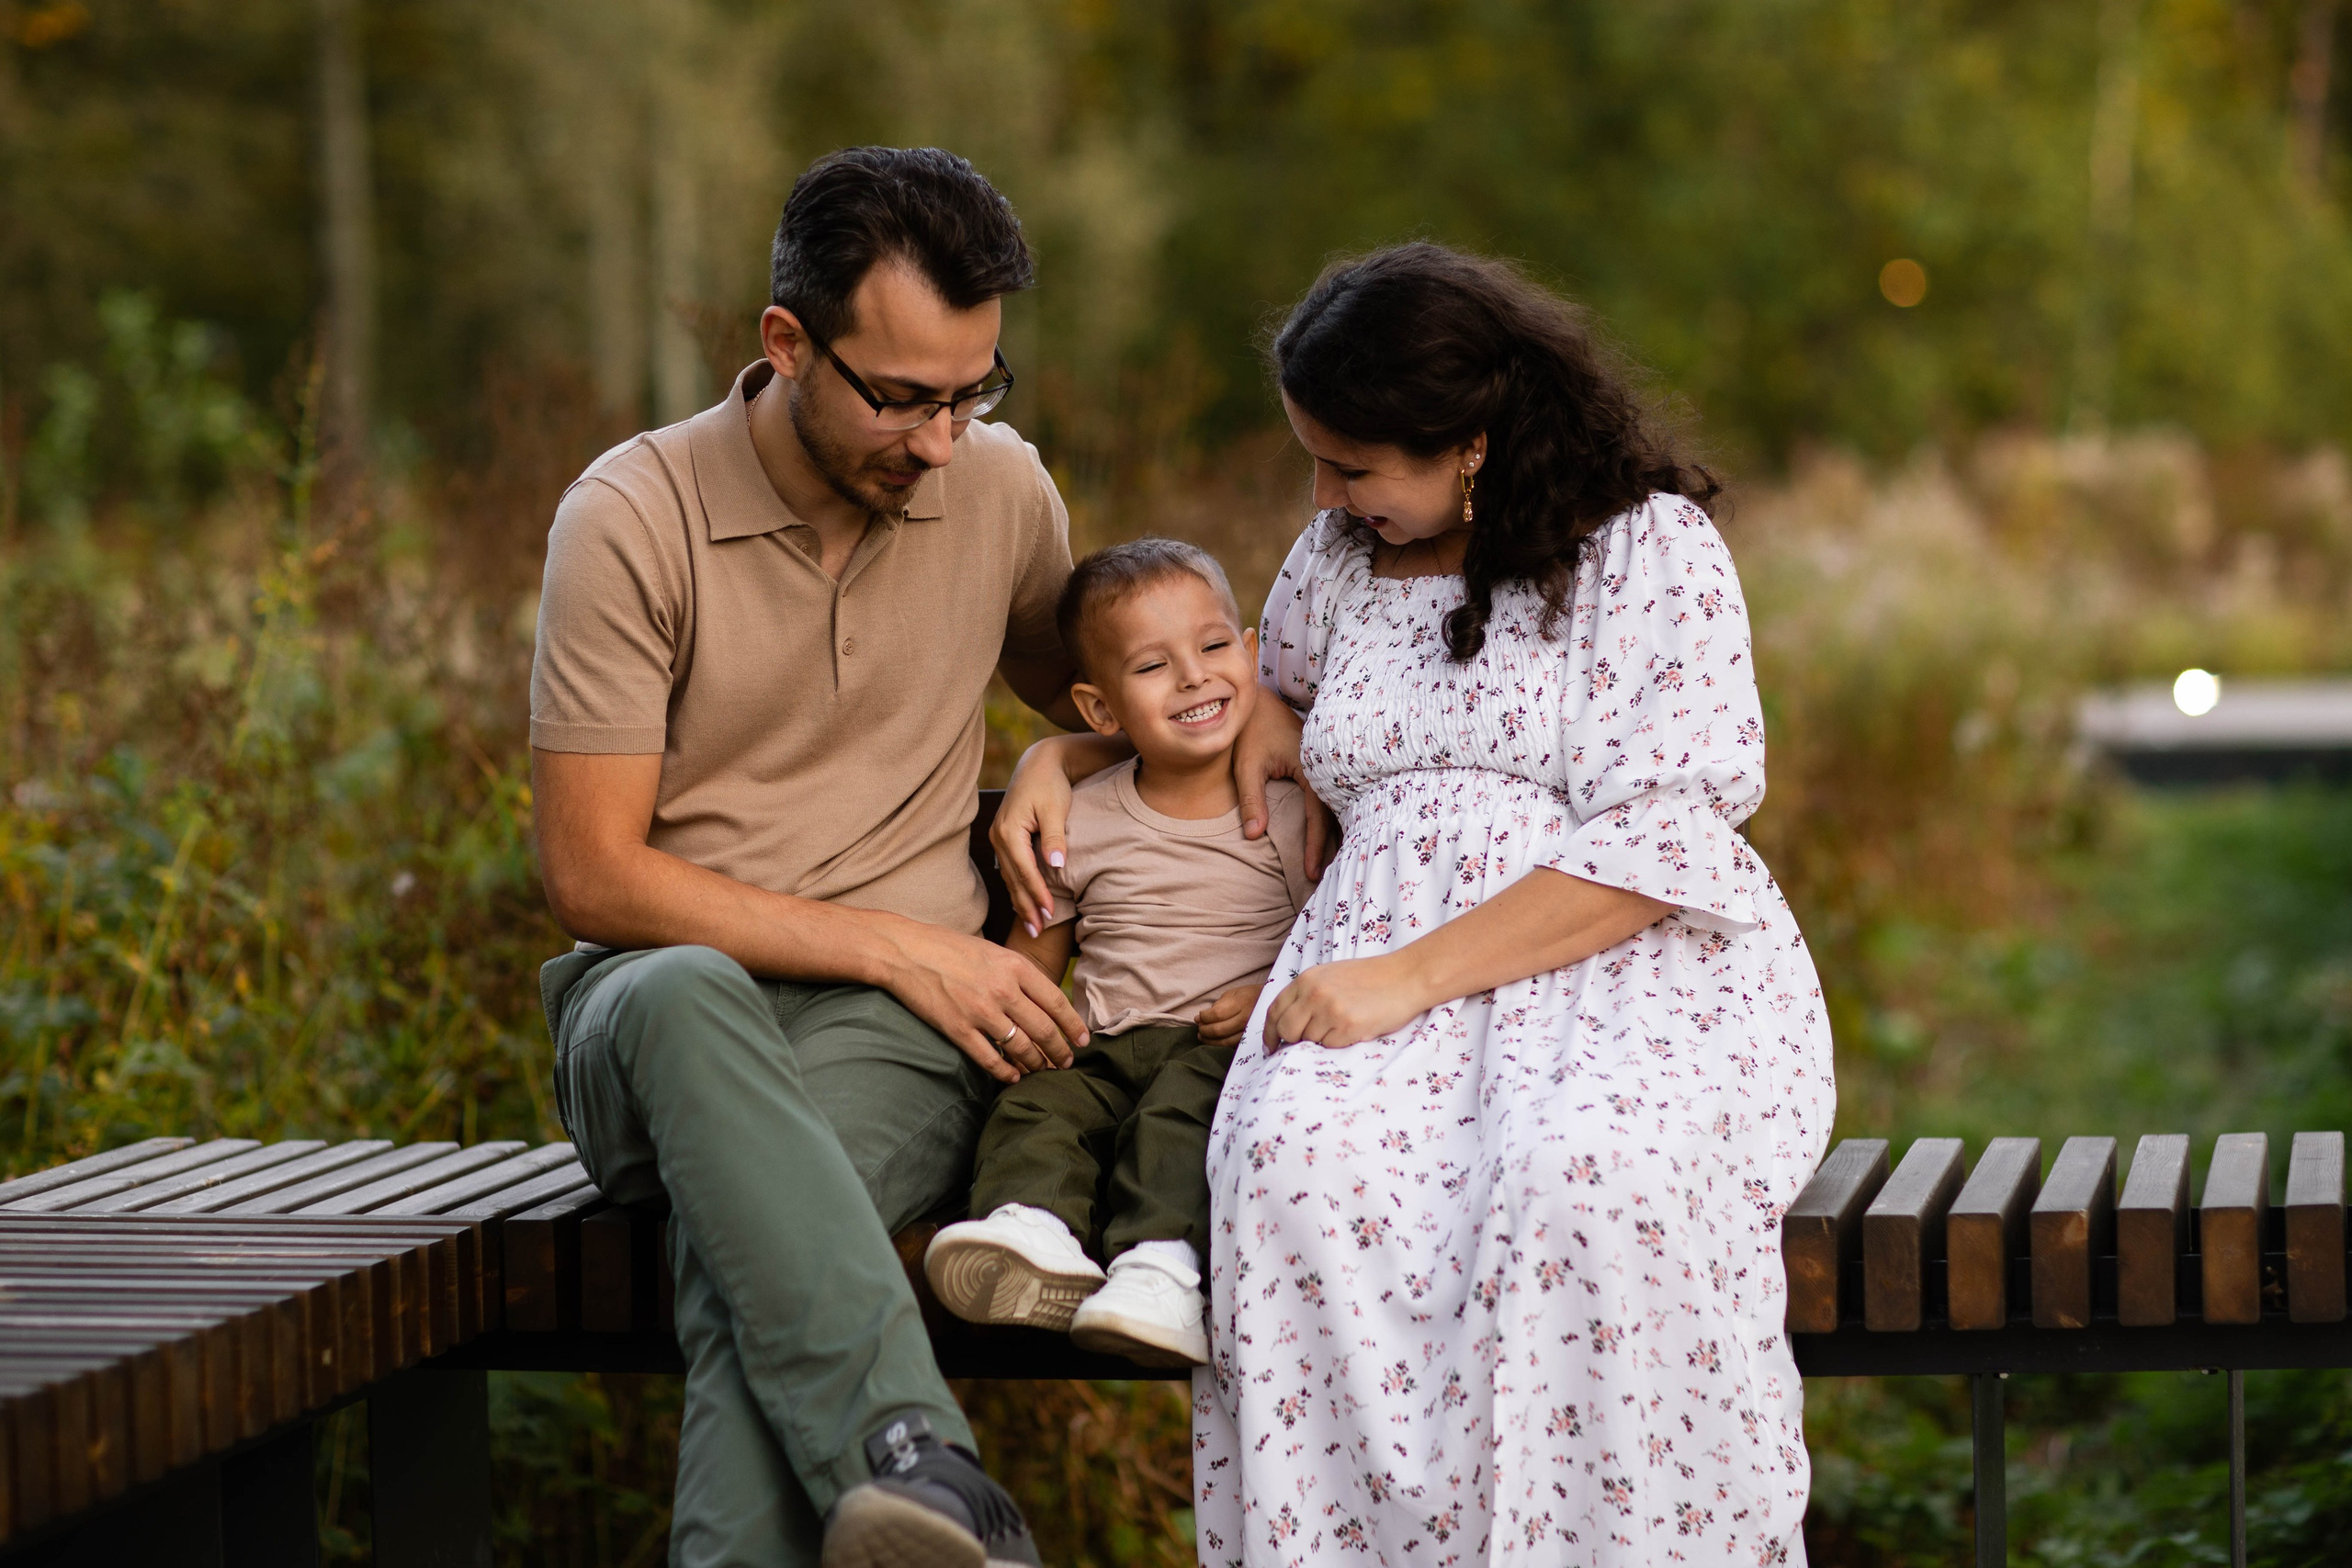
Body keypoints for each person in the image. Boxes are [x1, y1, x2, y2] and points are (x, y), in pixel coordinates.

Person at [527, 146, 1311, 1568]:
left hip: (890, 1039)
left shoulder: (1000, 489)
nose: (942, 440)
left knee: (753, 1255)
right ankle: (921, 1447)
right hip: (659, 1015)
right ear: (785, 344)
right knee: (685, 992)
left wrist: (1062, 758)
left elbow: (1088, 702)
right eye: (901, 397)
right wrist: (904, 944)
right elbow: (592, 876)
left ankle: (925, 1485)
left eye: (974, 391)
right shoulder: (631, 520)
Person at [996, 243, 1836, 1564]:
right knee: (1293, 1173)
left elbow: (1666, 833)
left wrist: (1412, 975)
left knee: (1587, 1181)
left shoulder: (1648, 551)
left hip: (1620, 958)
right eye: (1315, 460)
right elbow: (1221, 718)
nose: (1324, 493)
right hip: (1365, 953)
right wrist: (1058, 754)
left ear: (1475, 443)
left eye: (1353, 463)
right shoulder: (1335, 564)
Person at [923, 539, 1314, 1368]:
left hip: (1223, 1045)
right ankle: (1033, 1231)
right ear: (1101, 712)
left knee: (1179, 1116)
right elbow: (1033, 962)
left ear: (1250, 653)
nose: (1194, 677)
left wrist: (1276, 997)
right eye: (1152, 666)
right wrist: (1024, 1035)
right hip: (1103, 1040)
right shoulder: (1080, 815)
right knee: (1042, 1107)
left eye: (1213, 647)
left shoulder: (1290, 805)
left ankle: (1161, 1267)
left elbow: (1340, 929)